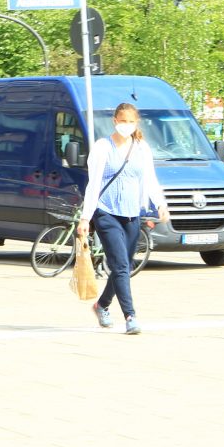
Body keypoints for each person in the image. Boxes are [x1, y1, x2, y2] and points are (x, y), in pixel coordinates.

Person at [77, 102, 169, 335]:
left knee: (124, 268)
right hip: (106, 212)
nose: (126, 125)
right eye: (122, 121)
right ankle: (130, 316)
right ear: (115, 121)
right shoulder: (102, 147)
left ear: (136, 123)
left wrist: (160, 203)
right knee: (119, 265)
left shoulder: (142, 148)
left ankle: (102, 305)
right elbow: (93, 184)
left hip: (131, 215)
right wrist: (86, 217)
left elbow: (149, 179)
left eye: (131, 122)